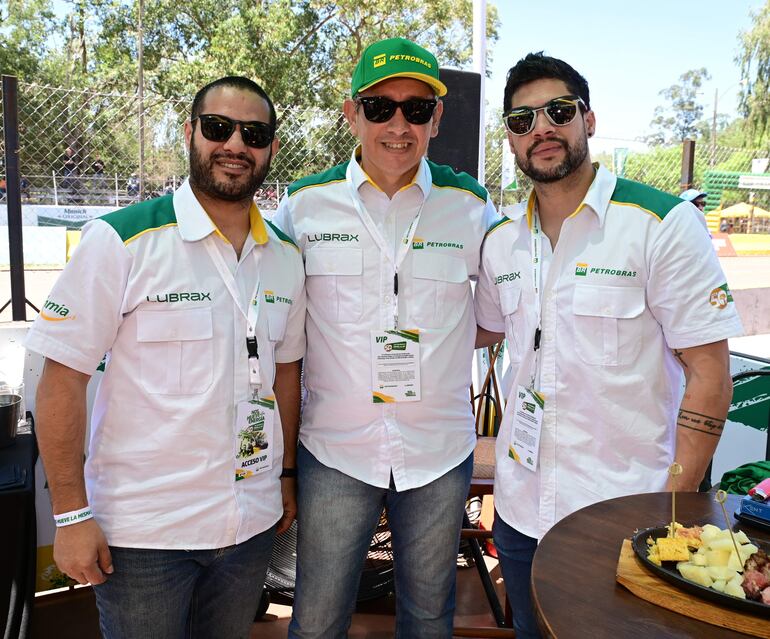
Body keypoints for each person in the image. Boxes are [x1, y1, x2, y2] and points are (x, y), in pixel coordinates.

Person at [26, 76, 306, 639]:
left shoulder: (285, 256)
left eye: (253, 133)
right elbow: (59, 381)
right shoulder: (121, 240)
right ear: (190, 134)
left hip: (248, 525)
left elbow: (284, 375)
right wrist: (72, 515)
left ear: (271, 147)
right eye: (218, 127)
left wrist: (286, 477)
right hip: (145, 537)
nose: (235, 145)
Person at [474, 53, 743, 638]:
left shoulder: (660, 224)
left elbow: (709, 370)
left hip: (624, 514)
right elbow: (486, 331)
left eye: (558, 111)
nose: (540, 129)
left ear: (588, 120)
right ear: (512, 140)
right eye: (522, 121)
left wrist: (672, 507)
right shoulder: (500, 242)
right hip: (522, 513)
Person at [273, 37, 499, 638]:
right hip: (335, 448)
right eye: (380, 108)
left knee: (428, 616)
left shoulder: (472, 207)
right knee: (318, 617)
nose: (399, 125)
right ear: (352, 113)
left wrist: (439, 345)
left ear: (437, 119)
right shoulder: (303, 206)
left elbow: (500, 315)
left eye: (417, 109)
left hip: (437, 450)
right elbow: (273, 318)